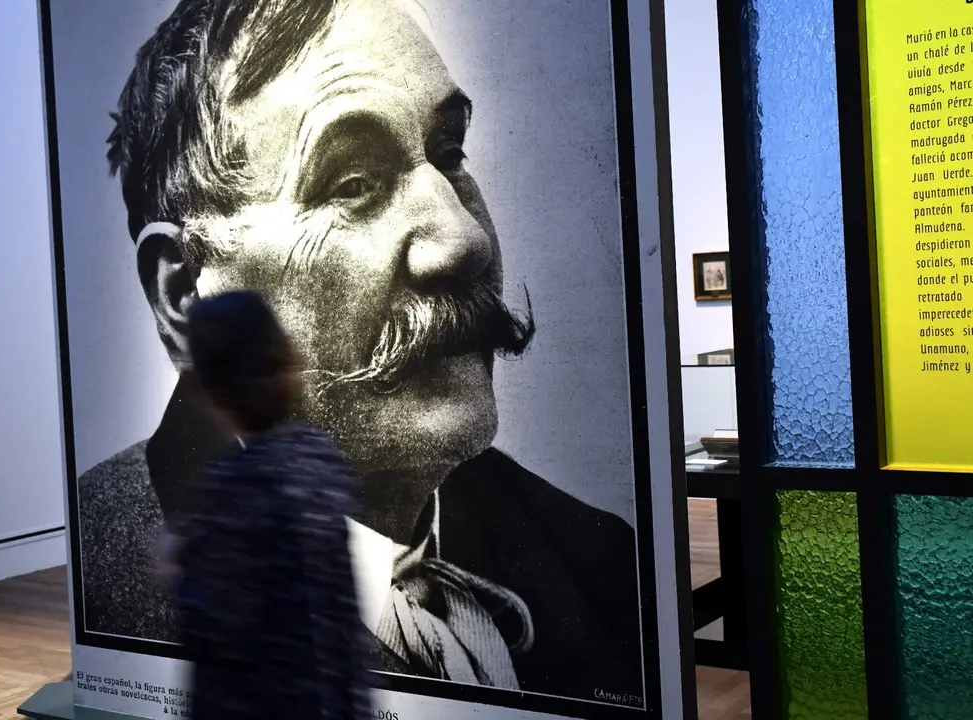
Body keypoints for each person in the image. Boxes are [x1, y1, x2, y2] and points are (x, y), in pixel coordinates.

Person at [77, 0, 644, 705]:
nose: (464, 241)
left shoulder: (598, 556)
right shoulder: (109, 574)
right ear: (185, 294)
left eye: (449, 154)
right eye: (351, 184)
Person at [155, 290, 368, 720]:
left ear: (211, 389)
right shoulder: (319, 455)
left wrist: (178, 570)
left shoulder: (236, 485)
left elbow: (217, 628)